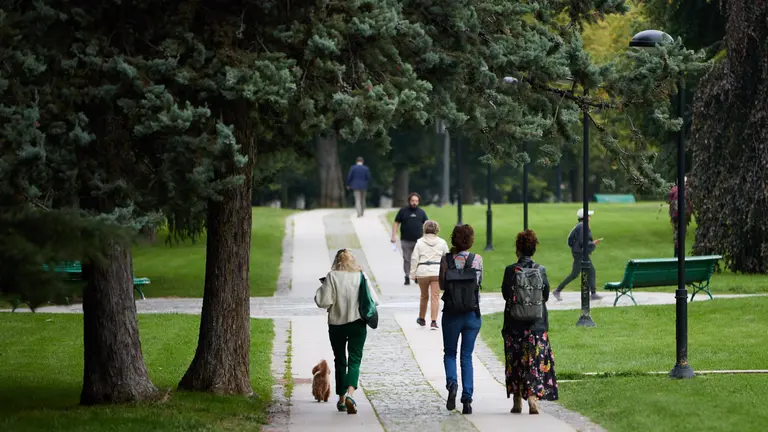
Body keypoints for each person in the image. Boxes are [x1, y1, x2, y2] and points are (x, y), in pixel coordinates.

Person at [315, 249, 380, 414]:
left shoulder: (332, 276)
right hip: (357, 323)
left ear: (337, 261)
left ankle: (342, 398)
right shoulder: (361, 276)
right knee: (354, 359)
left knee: (340, 360)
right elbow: (375, 300)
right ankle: (351, 394)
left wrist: (322, 288)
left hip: (336, 324)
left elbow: (323, 301)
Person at [501, 230, 559, 415]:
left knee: (515, 360)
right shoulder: (540, 270)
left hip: (514, 325)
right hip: (536, 324)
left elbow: (505, 295)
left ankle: (517, 400)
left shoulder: (511, 270)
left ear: (517, 249)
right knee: (534, 361)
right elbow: (545, 295)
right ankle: (533, 398)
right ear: (533, 249)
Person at [439, 224, 483, 415]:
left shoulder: (446, 259)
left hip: (451, 313)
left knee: (450, 353)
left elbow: (442, 285)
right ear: (471, 240)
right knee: (467, 356)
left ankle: (452, 384)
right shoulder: (477, 259)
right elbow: (479, 283)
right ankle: (467, 399)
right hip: (472, 313)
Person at [552, 208, 602, 301]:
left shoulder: (581, 225)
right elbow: (583, 241)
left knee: (586, 272)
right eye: (588, 215)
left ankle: (593, 293)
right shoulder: (583, 226)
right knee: (579, 273)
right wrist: (593, 243)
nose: (590, 217)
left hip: (579, 252)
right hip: (580, 253)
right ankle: (557, 290)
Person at [410, 220, 449, 329]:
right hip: (436, 271)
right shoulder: (442, 242)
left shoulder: (419, 242)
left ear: (425, 229)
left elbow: (414, 258)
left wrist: (413, 273)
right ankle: (433, 321)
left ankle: (421, 318)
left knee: (424, 296)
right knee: (435, 297)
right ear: (437, 229)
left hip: (422, 271)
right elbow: (447, 257)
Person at [392, 192, 428, 285]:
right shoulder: (403, 211)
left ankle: (416, 276)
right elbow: (396, 223)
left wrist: (428, 237)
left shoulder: (421, 212)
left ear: (418, 202)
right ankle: (407, 276)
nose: (414, 203)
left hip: (418, 241)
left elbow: (427, 224)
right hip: (405, 240)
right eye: (412, 201)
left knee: (417, 259)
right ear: (409, 201)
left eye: (416, 201)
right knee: (407, 259)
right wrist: (393, 236)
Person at [668, 176, 693, 257]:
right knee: (681, 235)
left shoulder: (673, 189)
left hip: (674, 216)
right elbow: (690, 204)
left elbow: (670, 202)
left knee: (677, 234)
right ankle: (680, 254)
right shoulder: (686, 191)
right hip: (682, 216)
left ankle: (676, 253)